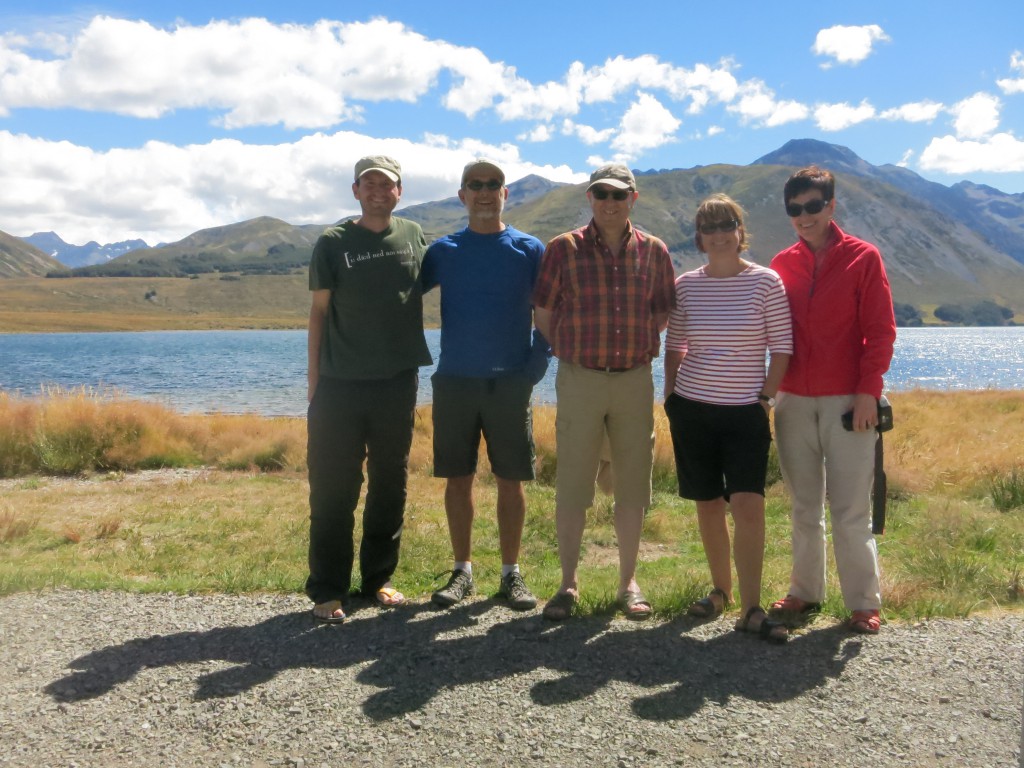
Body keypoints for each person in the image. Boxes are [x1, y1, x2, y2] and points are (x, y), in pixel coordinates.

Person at [533, 163, 676, 621]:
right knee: (573, 482)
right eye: (601, 195)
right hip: (580, 378)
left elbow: (661, 314)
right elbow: (543, 310)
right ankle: (568, 583)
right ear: (590, 198)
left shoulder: (654, 251)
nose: (610, 203)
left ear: (633, 199)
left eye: (619, 195)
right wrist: (568, 349)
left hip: (634, 378)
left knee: (633, 483)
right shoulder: (563, 248)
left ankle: (628, 583)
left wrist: (629, 351)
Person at [768, 165, 896, 635]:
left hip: (848, 401)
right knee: (804, 505)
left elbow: (880, 331)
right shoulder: (782, 263)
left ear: (831, 206)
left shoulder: (864, 257)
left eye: (813, 206)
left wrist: (869, 393)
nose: (804, 216)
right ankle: (805, 592)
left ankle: (863, 602)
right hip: (793, 401)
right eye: (795, 209)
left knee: (849, 508)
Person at [305, 155, 432, 623]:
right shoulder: (333, 241)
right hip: (339, 384)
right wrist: (314, 385)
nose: (379, 191)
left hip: (398, 381)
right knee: (334, 488)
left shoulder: (414, 235)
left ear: (400, 191)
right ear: (356, 190)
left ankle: (378, 579)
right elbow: (319, 313)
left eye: (388, 184)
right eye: (370, 183)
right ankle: (327, 589)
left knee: (389, 483)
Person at [421, 158, 550, 611]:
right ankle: (462, 572)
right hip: (455, 381)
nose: (484, 191)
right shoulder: (443, 251)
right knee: (458, 480)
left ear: (504, 194)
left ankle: (511, 575)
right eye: (475, 185)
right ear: (462, 195)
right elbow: (397, 296)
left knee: (510, 480)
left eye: (493, 184)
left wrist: (534, 368)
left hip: (508, 384)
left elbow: (547, 313)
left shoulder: (528, 249)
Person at [663, 194, 792, 643]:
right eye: (709, 227)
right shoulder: (686, 286)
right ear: (699, 237)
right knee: (708, 505)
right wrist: (671, 398)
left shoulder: (766, 283)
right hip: (692, 410)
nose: (718, 234)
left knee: (748, 506)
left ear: (740, 232)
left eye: (727, 225)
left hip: (744, 413)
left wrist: (765, 399)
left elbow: (782, 348)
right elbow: (675, 346)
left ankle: (752, 607)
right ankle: (721, 591)